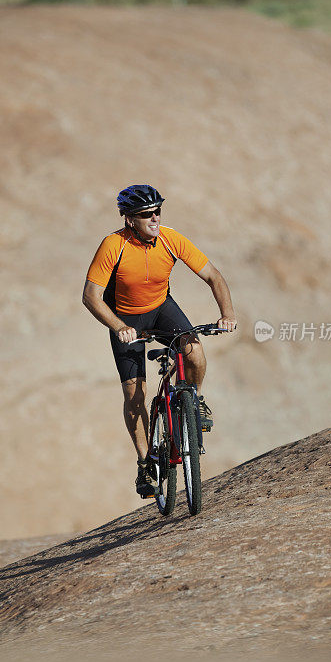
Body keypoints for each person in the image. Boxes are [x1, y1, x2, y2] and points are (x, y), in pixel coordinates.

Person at [82, 185, 236, 498]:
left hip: (161, 309)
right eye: (145, 215)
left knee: (194, 352)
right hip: (126, 318)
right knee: (134, 393)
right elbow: (91, 297)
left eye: (157, 212)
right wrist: (118, 326)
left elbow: (213, 277)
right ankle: (145, 464)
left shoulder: (170, 238)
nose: (154, 218)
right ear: (129, 219)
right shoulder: (113, 245)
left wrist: (227, 314)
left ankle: (193, 401)